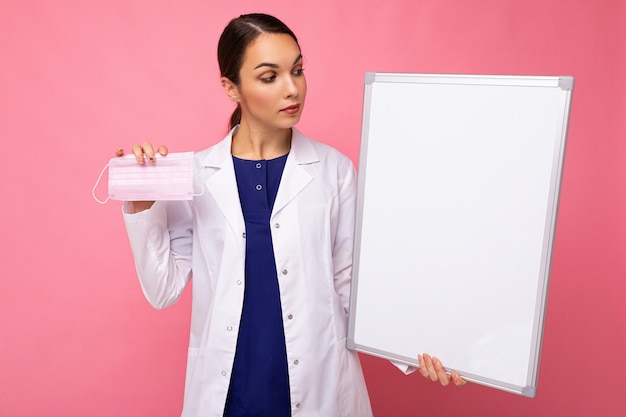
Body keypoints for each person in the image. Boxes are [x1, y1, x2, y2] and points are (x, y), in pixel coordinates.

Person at [116, 13, 465, 417]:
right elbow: (163, 290)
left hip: (319, 386)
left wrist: (420, 350)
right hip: (230, 392)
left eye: (297, 70)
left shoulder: (333, 170)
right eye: (270, 77)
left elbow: (350, 285)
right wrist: (143, 203)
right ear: (231, 87)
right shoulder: (195, 176)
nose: (292, 88)